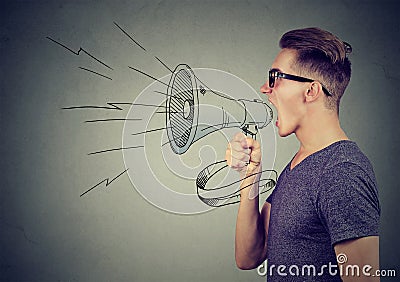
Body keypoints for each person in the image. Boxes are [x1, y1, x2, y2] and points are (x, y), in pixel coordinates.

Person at [225, 27, 380, 281]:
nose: (265, 88)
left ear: (311, 91)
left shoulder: (342, 171)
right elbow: (249, 256)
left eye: (275, 77)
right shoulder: (300, 164)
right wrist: (249, 177)